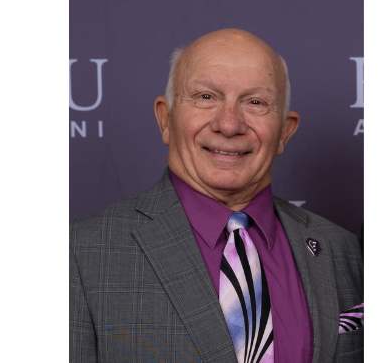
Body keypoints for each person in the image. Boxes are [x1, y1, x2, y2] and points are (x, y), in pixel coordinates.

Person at [70, 29, 363, 363]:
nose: (228, 124)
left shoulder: (347, 252)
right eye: (206, 97)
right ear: (166, 119)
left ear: (285, 131)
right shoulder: (79, 254)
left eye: (255, 102)